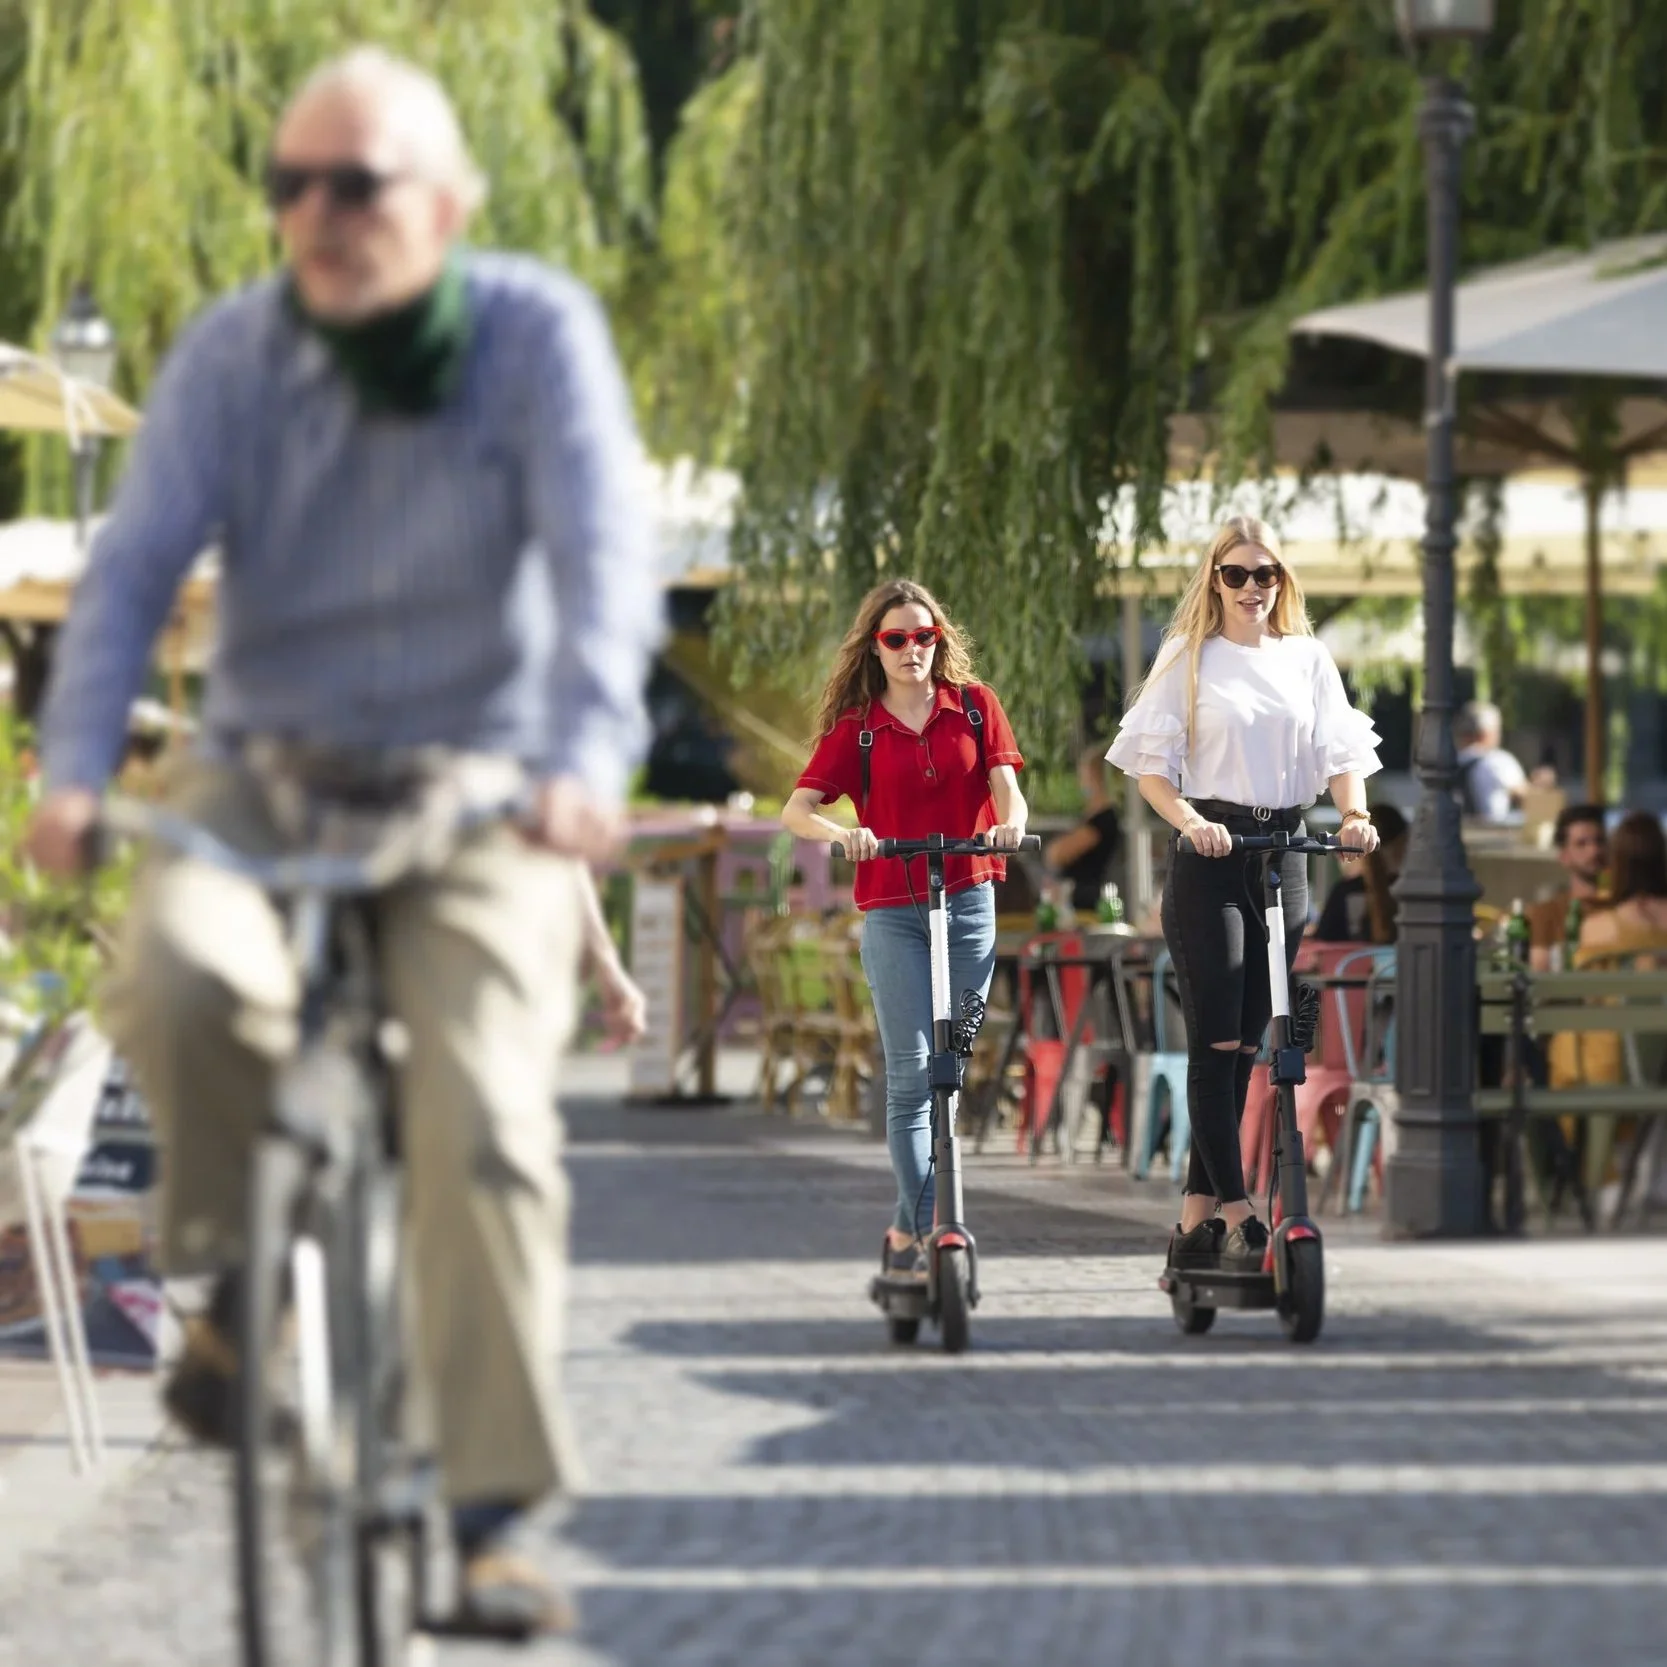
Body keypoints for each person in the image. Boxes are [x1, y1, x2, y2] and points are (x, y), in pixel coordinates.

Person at [24, 48, 660, 1635]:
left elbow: (602, 566)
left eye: (353, 186)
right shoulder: (237, 355)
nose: (315, 215)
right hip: (266, 774)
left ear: (444, 207)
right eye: (289, 186)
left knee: (488, 1119)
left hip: (477, 793)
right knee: (173, 980)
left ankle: (494, 1512)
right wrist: (74, 768)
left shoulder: (533, 341)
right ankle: (238, 1293)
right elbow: (129, 570)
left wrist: (585, 759)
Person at [1106, 515, 1380, 1274]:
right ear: (1213, 581)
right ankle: (1238, 1210)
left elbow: (1340, 749)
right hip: (1210, 854)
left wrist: (1353, 815)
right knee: (1216, 1042)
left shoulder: (1307, 658)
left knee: (1251, 1047)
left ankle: (1193, 1218)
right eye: (1236, 574)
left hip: (1283, 852)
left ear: (1281, 582)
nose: (1252, 588)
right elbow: (1149, 767)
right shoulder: (1187, 657)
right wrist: (1191, 820)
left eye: (1266, 574)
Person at [781, 580, 1026, 1276]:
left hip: (971, 902)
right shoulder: (857, 726)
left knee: (953, 1068)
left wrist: (1012, 824)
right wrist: (842, 833)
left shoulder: (975, 709)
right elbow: (796, 810)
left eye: (924, 636)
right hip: (892, 910)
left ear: (938, 640)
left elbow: (1007, 785)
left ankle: (902, 1230)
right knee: (913, 1075)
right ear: (876, 646)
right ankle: (928, 1231)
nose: (912, 649)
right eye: (897, 638)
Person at [1526, 803, 1609, 971]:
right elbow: (1540, 977)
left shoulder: (1622, 908)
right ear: (1564, 856)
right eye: (1581, 844)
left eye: (1599, 841)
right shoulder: (1546, 914)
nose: (1594, 851)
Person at [1043, 743, 1123, 915]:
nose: (1081, 782)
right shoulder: (1093, 817)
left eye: (1085, 775)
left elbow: (1057, 854)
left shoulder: (1104, 820)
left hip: (1089, 906)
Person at [1313, 802, 1408, 943]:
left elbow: (1324, 944)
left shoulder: (1344, 892)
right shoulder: (1412, 892)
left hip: (1348, 964)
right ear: (1402, 845)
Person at [1455, 700, 1528, 823]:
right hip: (1492, 834)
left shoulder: (1446, 763)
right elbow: (1525, 797)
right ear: (1487, 733)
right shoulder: (1498, 761)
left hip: (1454, 833)